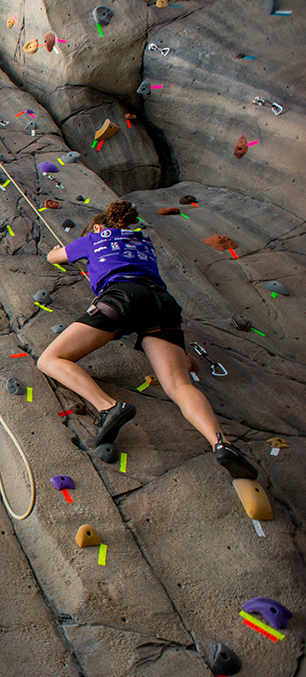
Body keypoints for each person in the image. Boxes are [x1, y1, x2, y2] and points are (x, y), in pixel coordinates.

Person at [37, 200, 257, 480]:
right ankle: (221, 442)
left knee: (50, 360)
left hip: (122, 296)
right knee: (179, 385)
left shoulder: (93, 238)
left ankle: (108, 407)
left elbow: (52, 259)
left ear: (96, 227)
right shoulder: (143, 240)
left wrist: (59, 251)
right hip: (162, 303)